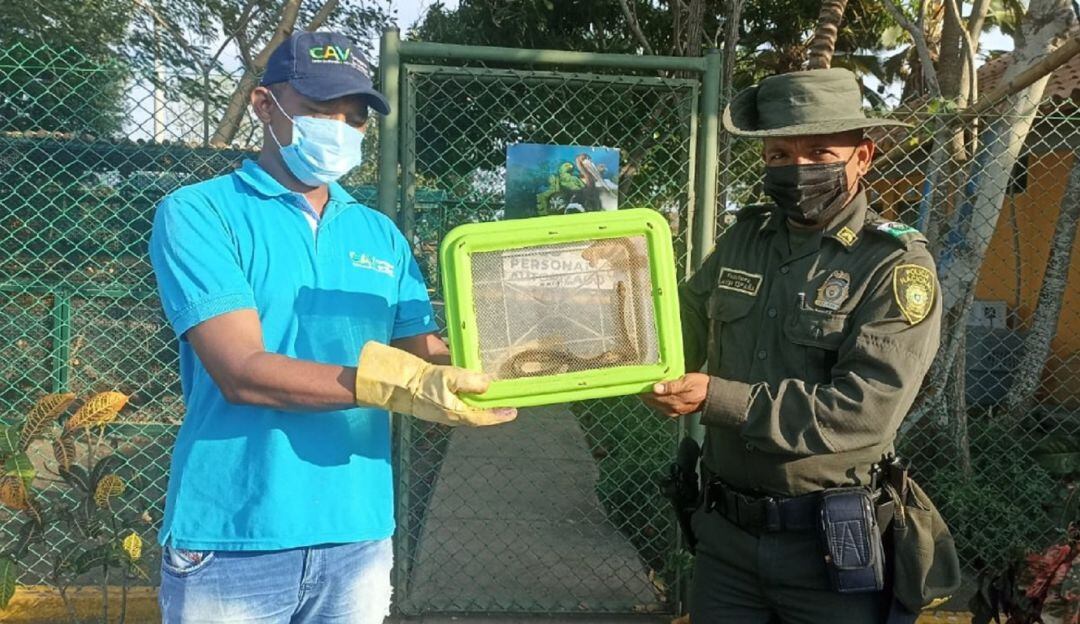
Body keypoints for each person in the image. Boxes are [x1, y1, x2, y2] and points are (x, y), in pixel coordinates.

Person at [149, 31, 515, 624]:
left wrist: (532, 351)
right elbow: (242, 372)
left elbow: (421, 351)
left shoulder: (380, 235)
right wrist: (403, 385)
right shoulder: (201, 212)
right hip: (235, 534)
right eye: (321, 112)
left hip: (357, 531)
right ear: (265, 106)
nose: (340, 129)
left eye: (354, 118)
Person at [643, 68, 945, 623]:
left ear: (863, 156)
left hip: (830, 550)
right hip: (726, 544)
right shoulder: (744, 240)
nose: (798, 169)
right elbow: (672, 335)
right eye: (779, 155)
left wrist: (718, 398)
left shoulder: (893, 264)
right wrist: (606, 326)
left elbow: (865, 412)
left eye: (820, 151)